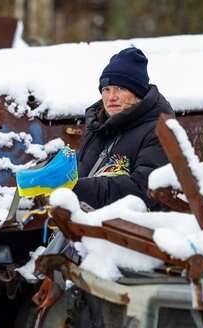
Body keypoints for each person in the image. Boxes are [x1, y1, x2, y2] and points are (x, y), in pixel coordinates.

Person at [73, 47, 174, 210]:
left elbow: (144, 191)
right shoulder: (99, 127)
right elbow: (83, 170)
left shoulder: (158, 131)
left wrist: (76, 189)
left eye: (120, 88)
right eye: (106, 89)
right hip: (87, 223)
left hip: (134, 230)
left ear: (138, 93)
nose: (111, 97)